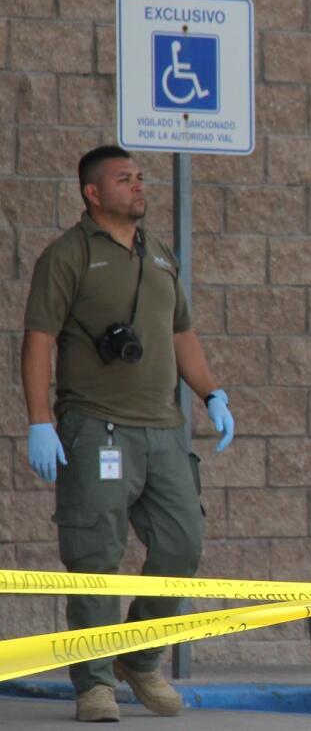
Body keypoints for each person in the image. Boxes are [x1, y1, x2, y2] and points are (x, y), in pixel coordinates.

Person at [21, 145, 235, 723]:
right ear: (93, 193)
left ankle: (138, 658)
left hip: (166, 431)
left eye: (140, 177)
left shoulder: (159, 254)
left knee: (182, 544)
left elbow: (181, 331)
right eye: (125, 179)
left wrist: (211, 392)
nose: (139, 186)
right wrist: (41, 421)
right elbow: (38, 340)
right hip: (96, 428)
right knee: (95, 554)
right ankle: (93, 682)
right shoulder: (67, 256)